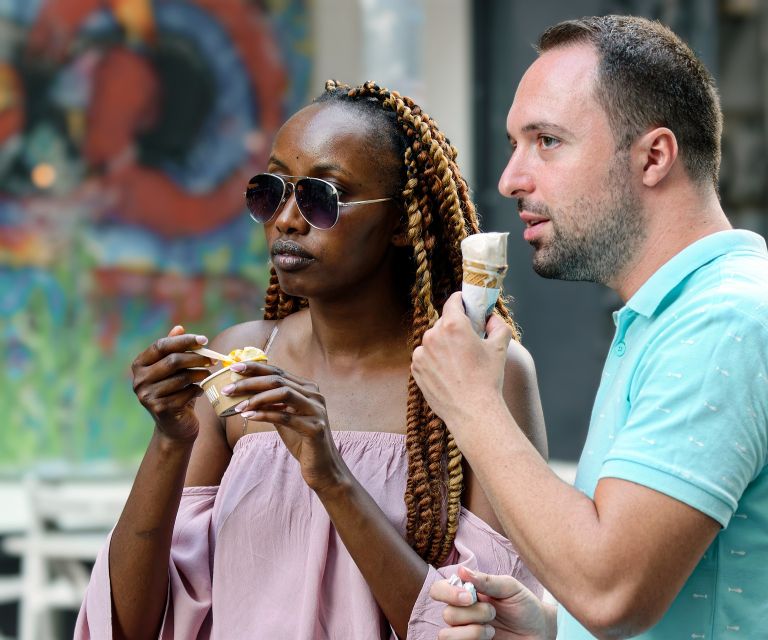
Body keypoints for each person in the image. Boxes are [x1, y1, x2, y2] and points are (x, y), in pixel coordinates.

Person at [412, 15, 768, 639]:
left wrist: (471, 405)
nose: (510, 178)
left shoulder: (727, 324)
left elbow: (611, 590)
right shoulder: (682, 315)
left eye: (546, 140)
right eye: (515, 142)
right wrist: (550, 628)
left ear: (654, 156)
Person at [73, 80, 547, 639]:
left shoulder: (480, 371)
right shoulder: (240, 361)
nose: (287, 219)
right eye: (270, 191)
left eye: (323, 197)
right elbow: (130, 624)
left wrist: (330, 475)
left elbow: (480, 628)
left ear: (402, 222)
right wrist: (170, 441)